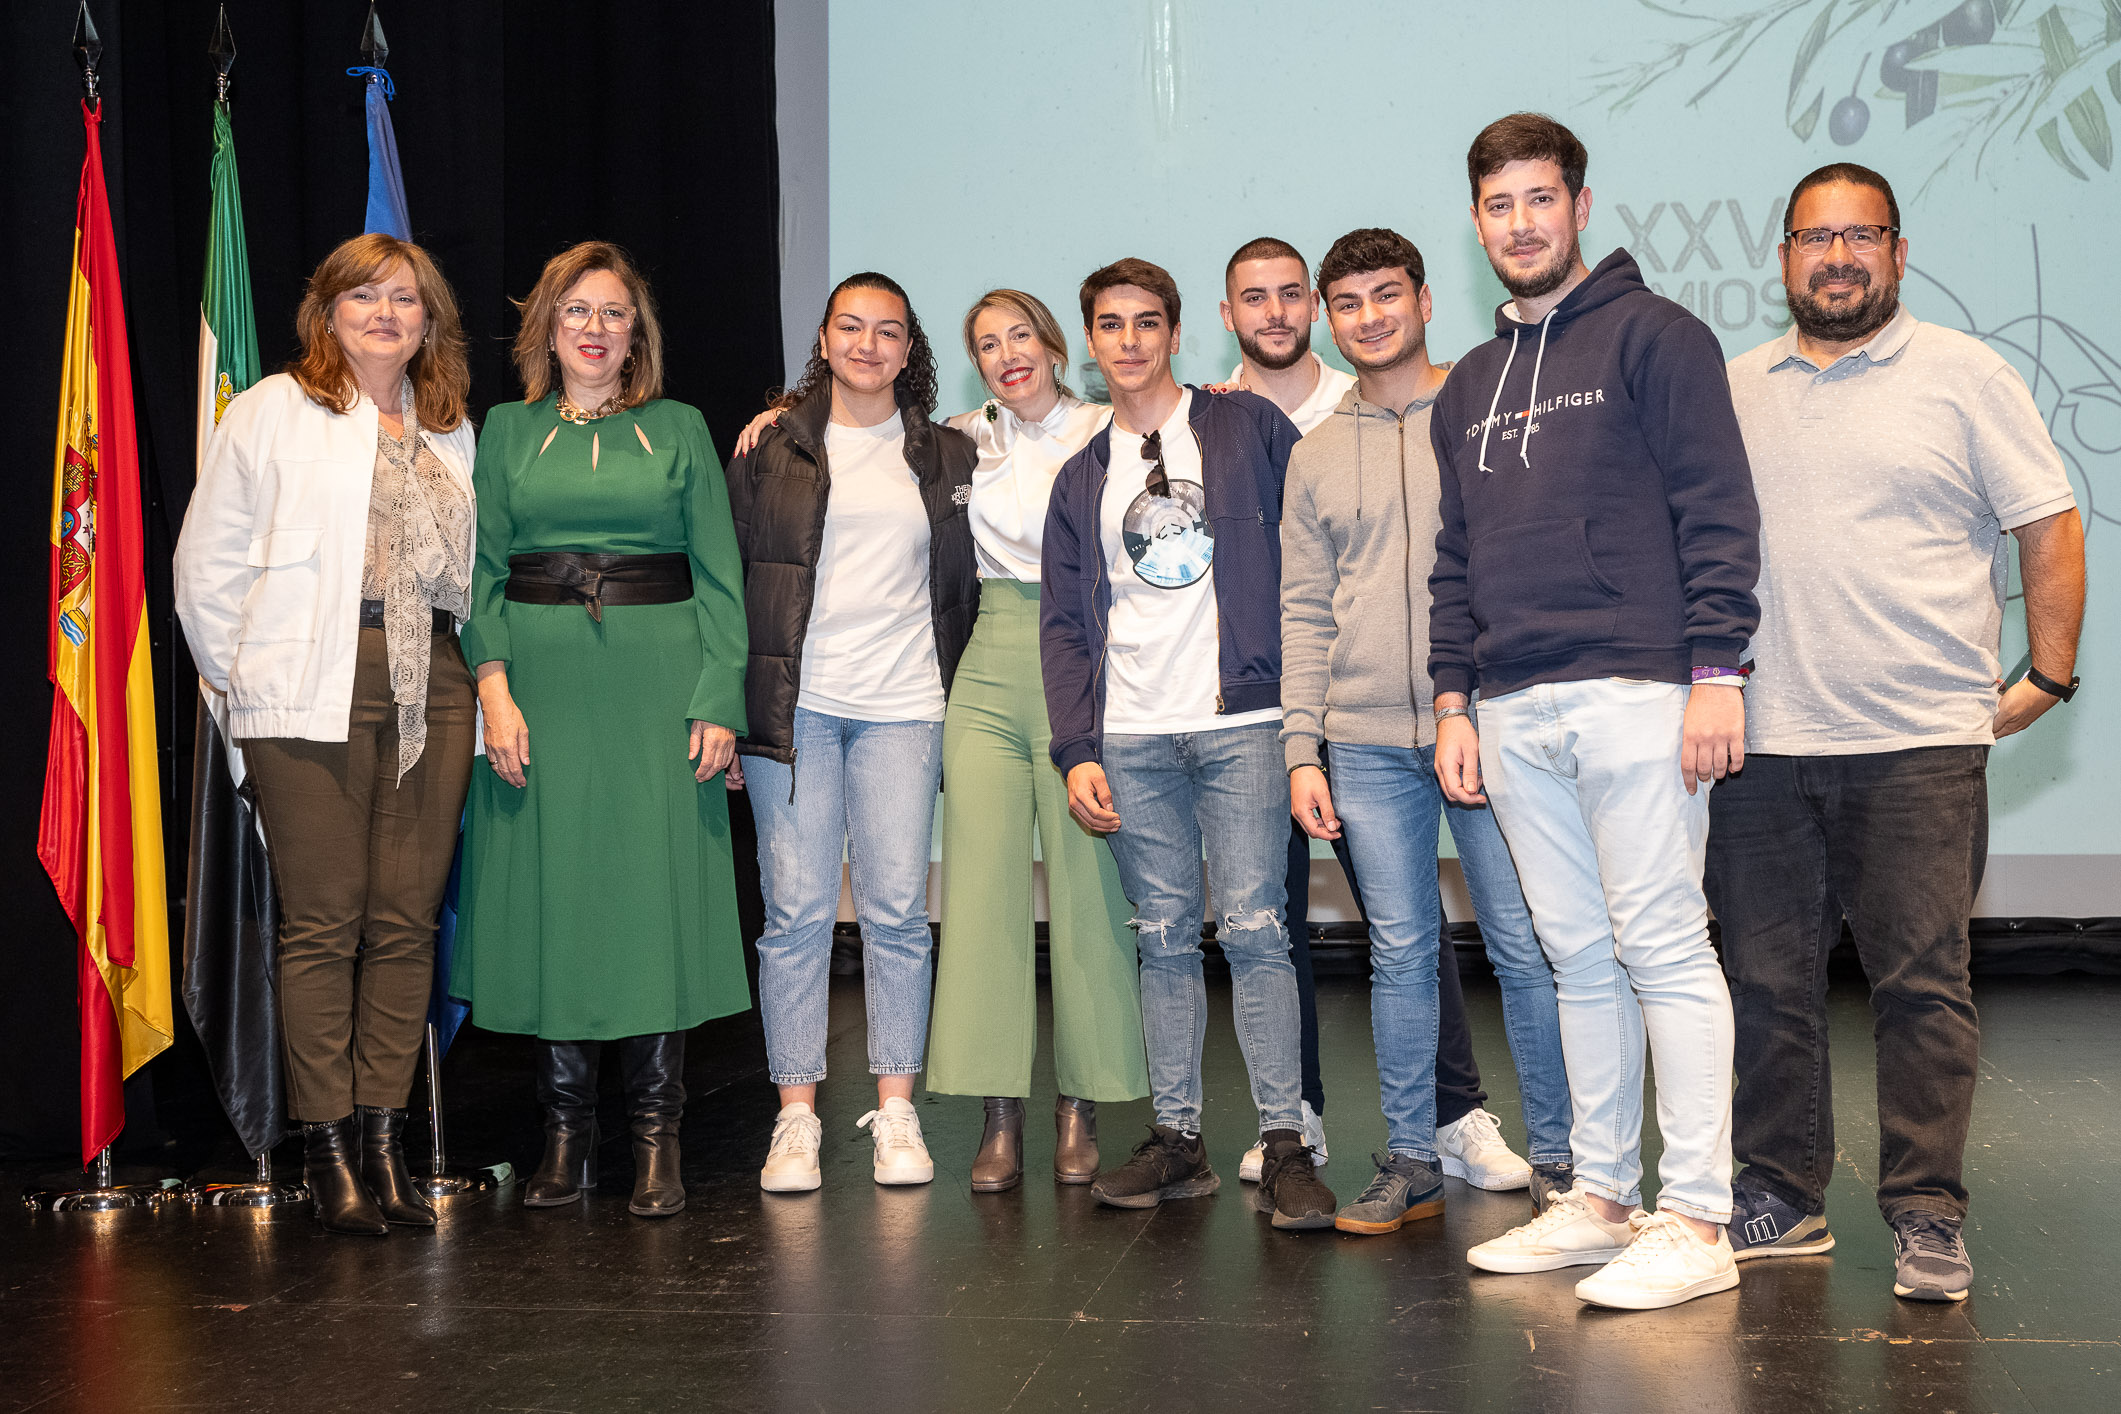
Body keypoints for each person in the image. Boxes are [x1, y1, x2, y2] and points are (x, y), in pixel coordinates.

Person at [1710, 163, 2086, 1302]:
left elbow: (2050, 520)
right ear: (1781, 256)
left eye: (1860, 234)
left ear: (1898, 251)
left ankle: (1927, 1212)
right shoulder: (1733, 386)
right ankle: (1779, 1197)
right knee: (1768, 981)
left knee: (1922, 983)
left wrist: (2051, 677)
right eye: (1815, 237)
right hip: (1763, 739)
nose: (1837, 256)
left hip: (1919, 743)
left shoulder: (1966, 375)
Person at [1430, 113, 1762, 1310]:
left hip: (1640, 685)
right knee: (1577, 954)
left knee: (1664, 945)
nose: (1520, 223)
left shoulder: (1659, 338)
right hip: (1513, 704)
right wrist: (1454, 696)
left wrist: (1718, 671)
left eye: (1539, 199)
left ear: (1578, 204)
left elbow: (1718, 509)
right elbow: (1453, 560)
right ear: (1476, 221)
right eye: (1497, 205)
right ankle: (1605, 1197)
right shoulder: (1467, 384)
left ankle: (1700, 1216)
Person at [733, 292, 1149, 1193]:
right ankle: (971, 1114)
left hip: (1045, 664)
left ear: (1053, 346)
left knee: (1068, 895)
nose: (1007, 356)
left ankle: (1073, 1106)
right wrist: (780, 413)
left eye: (1020, 340)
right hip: (938, 678)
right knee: (946, 901)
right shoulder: (954, 437)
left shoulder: (1089, 428)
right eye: (987, 344)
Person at [1220, 234, 1545, 1199]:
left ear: (1426, 300)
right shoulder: (1316, 455)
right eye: (1349, 303)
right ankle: (1412, 1154)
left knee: (1523, 946)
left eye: (1386, 296)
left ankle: (1567, 1165)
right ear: (1331, 316)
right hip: (1360, 743)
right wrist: (1301, 748)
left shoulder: (1490, 413)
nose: (1370, 317)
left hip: (1483, 724)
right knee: (1399, 953)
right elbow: (1304, 611)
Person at [176, 233, 477, 1236]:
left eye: (406, 298)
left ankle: (387, 1142)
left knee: (405, 919)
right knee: (325, 921)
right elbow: (205, 571)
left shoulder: (451, 427)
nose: (385, 314)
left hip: (431, 679)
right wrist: (244, 687)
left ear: (428, 320)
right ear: (328, 311)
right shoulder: (271, 411)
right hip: (307, 684)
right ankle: (329, 1151)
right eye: (365, 296)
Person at [450, 241, 749, 1220]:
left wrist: (718, 695)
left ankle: (657, 1139)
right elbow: (479, 575)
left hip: (660, 685)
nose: (593, 327)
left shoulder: (681, 428)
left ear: (636, 334)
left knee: (648, 900)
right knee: (558, 901)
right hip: (537, 689)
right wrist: (493, 690)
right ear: (546, 325)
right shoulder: (502, 430)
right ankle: (566, 1136)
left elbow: (720, 577)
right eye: (575, 310)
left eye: (612, 312)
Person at [1041, 257, 1337, 1230]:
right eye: (1110, 324)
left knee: (1256, 930)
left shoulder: (1247, 427)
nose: (1129, 340)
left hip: (1243, 724)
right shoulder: (1081, 475)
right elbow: (1064, 622)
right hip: (1131, 734)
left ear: (1176, 334)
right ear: (1091, 340)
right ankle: (1179, 1142)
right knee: (1163, 940)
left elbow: (1314, 552)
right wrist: (1078, 743)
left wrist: (1308, 709)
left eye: (1147, 322)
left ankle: (1287, 1140)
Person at [729, 272, 978, 1193]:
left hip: (904, 707)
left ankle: (896, 1111)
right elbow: (729, 583)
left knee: (896, 917)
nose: (868, 344)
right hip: (792, 711)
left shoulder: (951, 454)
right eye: (850, 327)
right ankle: (794, 1119)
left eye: (888, 332)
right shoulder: (769, 448)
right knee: (793, 917)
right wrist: (728, 710)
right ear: (824, 340)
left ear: (908, 352)